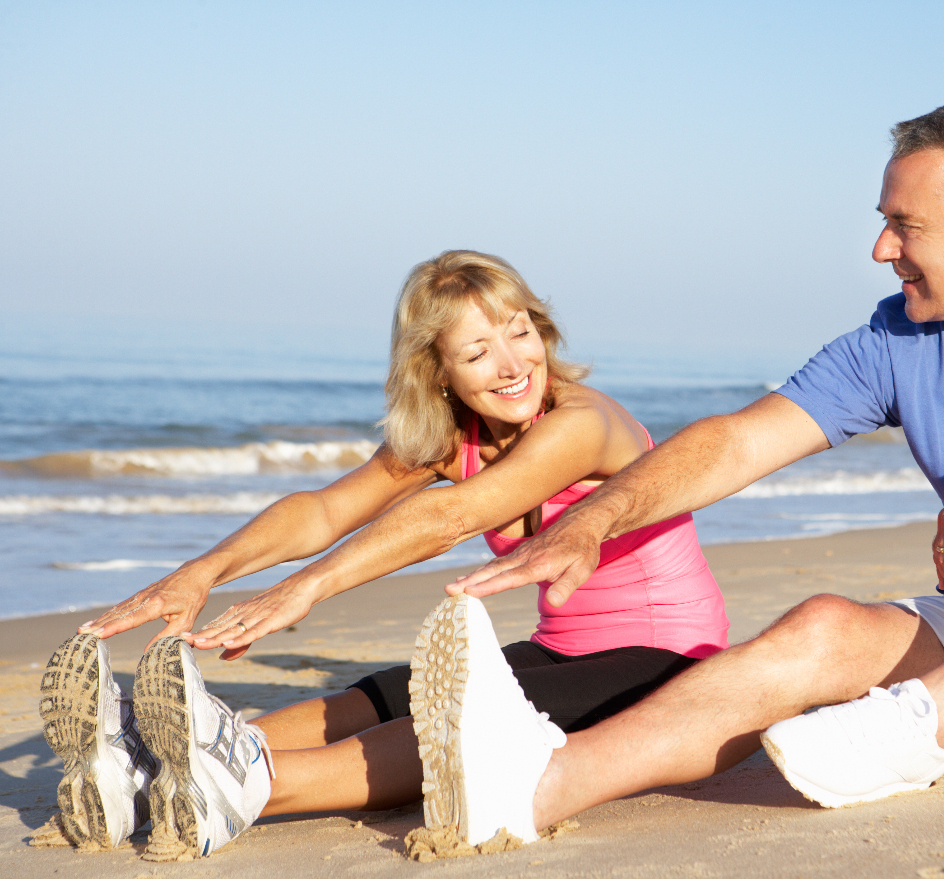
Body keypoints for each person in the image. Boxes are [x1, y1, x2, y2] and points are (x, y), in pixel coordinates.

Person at [408, 101, 944, 844]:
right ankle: (540, 786)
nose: (882, 249)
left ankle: (939, 717)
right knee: (819, 628)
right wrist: (597, 516)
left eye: (904, 225)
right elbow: (740, 441)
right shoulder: (899, 340)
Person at [37, 250, 729, 857]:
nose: (514, 363)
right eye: (479, 350)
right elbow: (325, 509)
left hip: (670, 661)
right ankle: (145, 764)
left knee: (456, 722)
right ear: (438, 371)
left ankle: (249, 782)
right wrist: (201, 572)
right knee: (384, 693)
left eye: (520, 331)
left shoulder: (585, 423)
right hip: (563, 649)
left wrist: (308, 587)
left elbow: (454, 516)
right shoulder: (453, 435)